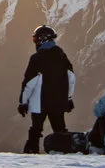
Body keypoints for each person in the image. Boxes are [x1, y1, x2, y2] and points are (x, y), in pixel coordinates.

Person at [17, 25, 75, 153]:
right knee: (60, 129)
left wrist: (23, 102)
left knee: (36, 129)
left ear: (42, 40)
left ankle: (32, 152)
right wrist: (68, 98)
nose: (35, 43)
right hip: (59, 101)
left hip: (39, 102)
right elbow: (71, 78)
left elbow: (29, 82)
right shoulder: (62, 56)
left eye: (35, 40)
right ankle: (64, 152)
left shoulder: (36, 58)